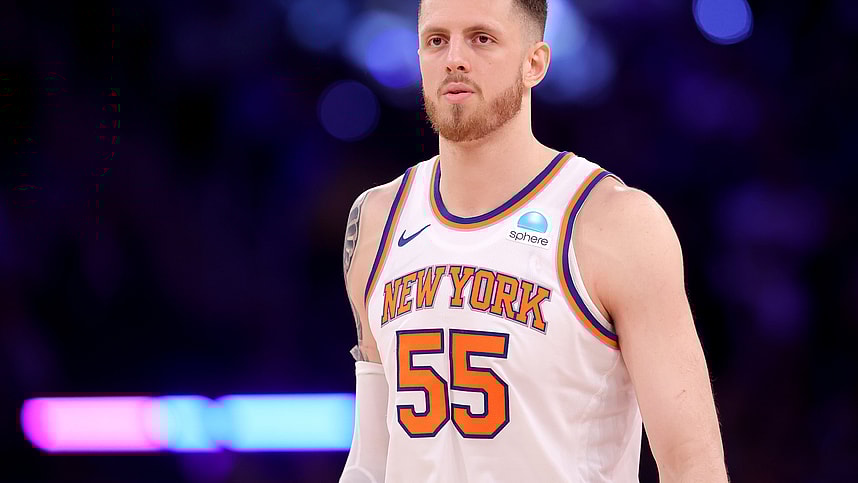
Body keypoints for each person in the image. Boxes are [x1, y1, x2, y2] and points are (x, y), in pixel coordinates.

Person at [339, 0, 728, 481]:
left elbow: (693, 464)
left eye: (481, 39)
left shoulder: (614, 222)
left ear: (535, 63)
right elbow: (370, 461)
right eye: (437, 41)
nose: (454, 59)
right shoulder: (377, 220)